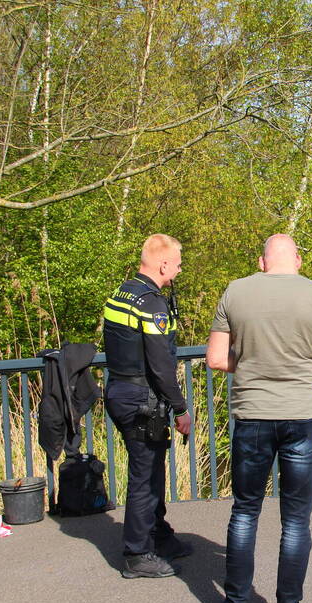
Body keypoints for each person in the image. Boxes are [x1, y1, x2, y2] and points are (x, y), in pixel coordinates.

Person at [206, 234, 312, 603]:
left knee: (245, 511)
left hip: (251, 415)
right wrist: (307, 375)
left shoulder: (236, 291)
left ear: (262, 261)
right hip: (302, 415)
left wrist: (252, 365)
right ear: (298, 261)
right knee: (296, 520)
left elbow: (216, 358)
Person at [102, 233, 193, 579]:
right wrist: (181, 408)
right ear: (163, 263)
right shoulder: (151, 303)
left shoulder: (122, 292)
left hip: (120, 390)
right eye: (178, 265)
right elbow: (161, 366)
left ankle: (160, 535)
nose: (179, 271)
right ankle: (137, 553)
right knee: (144, 476)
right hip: (141, 399)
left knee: (151, 470)